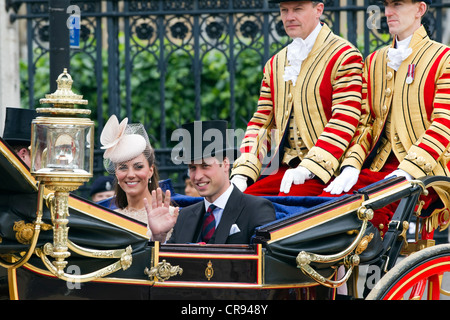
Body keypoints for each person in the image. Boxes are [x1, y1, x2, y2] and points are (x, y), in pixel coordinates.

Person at [323, 0, 450, 236]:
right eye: (387, 5)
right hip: (376, 169)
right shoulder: (373, 62)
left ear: (420, 10)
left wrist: (408, 170)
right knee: (324, 202)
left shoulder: (444, 59)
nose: (389, 12)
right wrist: (350, 166)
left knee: (359, 213)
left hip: (427, 174)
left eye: (398, 4)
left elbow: (444, 124)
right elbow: (365, 125)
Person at [230, 0, 363, 197]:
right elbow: (261, 125)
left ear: (318, 10)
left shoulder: (344, 56)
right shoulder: (275, 63)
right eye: (284, 10)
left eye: (298, 9)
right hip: (285, 168)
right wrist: (242, 173)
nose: (289, 17)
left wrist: (309, 167)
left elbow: (344, 118)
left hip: (329, 170)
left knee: (282, 214)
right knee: (235, 203)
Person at [147, 120, 276, 244]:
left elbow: (264, 262)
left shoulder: (257, 209)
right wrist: (158, 237)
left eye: (205, 166)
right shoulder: (184, 216)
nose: (197, 176)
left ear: (225, 164)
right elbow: (168, 263)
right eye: (192, 168)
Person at [100, 115, 177, 234]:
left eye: (138, 167)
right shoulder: (110, 219)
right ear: (116, 173)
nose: (130, 174)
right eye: (123, 168)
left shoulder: (171, 215)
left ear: (150, 171)